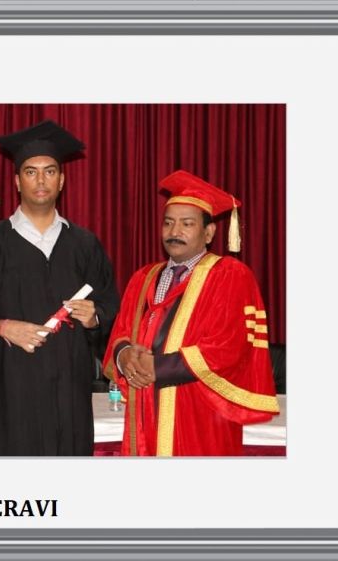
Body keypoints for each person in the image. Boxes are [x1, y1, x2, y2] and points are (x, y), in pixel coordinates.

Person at [0, 120, 120, 456]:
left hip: (69, 391)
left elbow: (110, 305)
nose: (41, 180)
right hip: (8, 388)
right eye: (31, 172)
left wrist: (95, 318)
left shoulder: (85, 244)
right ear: (17, 181)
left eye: (50, 171)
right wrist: (2, 327)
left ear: (62, 180)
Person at [103, 169, 279, 456]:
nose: (175, 232)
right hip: (144, 411)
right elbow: (121, 332)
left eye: (187, 224)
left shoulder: (229, 275)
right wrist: (124, 357)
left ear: (209, 233)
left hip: (201, 413)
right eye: (168, 223)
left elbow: (228, 346)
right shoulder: (143, 277)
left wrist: (156, 367)